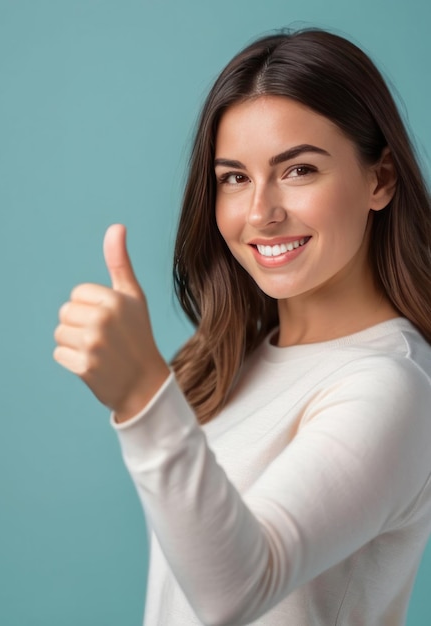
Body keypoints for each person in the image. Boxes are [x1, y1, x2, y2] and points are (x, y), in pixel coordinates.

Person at [53, 28, 431, 625]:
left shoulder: (390, 386)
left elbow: (239, 590)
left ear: (379, 180)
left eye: (299, 170)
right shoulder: (237, 360)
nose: (261, 213)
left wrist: (142, 395)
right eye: (234, 178)